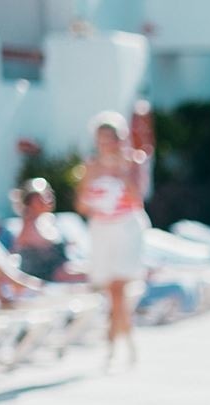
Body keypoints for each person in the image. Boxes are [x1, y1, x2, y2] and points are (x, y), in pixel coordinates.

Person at [77, 111, 150, 369]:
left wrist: (121, 171)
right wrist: (94, 195)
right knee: (111, 290)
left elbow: (137, 198)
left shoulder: (133, 162)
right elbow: (81, 205)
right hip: (101, 228)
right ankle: (127, 340)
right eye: (102, 138)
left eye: (111, 138)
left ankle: (112, 343)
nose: (106, 143)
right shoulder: (91, 165)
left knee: (118, 288)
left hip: (126, 228)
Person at [9, 178, 84, 283]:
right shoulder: (29, 223)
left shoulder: (49, 220)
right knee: (92, 275)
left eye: (49, 195)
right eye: (42, 196)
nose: (48, 199)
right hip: (44, 275)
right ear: (31, 201)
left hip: (62, 269)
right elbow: (43, 245)